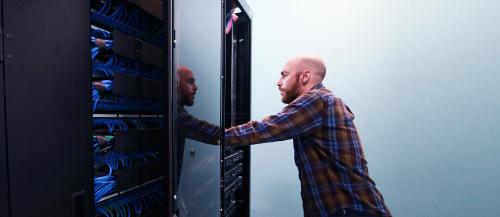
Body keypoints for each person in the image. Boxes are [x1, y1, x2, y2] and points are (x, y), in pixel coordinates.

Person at [224, 55, 392, 217]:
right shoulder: (325, 100)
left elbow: (262, 130)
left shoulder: (317, 99)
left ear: (304, 76)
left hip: (349, 211)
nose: (278, 82)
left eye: (284, 75)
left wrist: (210, 133)